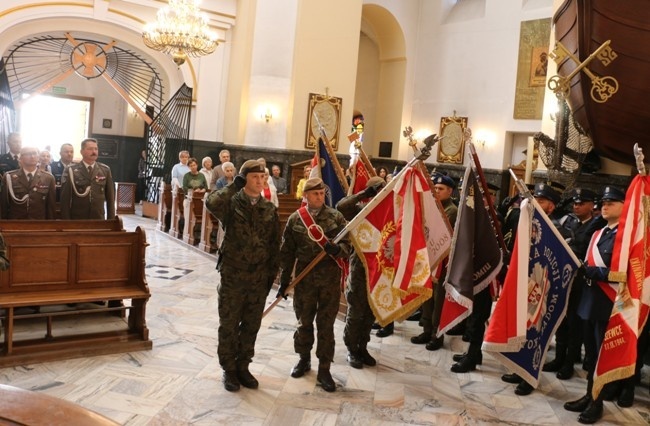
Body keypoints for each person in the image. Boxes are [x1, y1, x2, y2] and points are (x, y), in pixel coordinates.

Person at [205, 159, 281, 392]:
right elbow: (210, 203)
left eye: (263, 178)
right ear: (244, 178)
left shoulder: (269, 208)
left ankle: (243, 366)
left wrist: (273, 277)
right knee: (228, 323)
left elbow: (274, 244)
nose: (260, 181)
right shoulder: (231, 202)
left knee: (251, 325)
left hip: (258, 278)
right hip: (233, 275)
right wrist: (233, 186)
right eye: (255, 177)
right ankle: (229, 369)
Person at [277, 177, 351, 392]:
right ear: (306, 196)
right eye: (315, 193)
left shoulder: (336, 217)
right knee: (304, 321)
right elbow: (287, 252)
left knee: (326, 325)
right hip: (304, 278)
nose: (319, 197)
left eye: (321, 193)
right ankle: (303, 359)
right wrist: (284, 281)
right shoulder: (295, 219)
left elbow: (348, 244)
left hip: (328, 277)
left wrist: (339, 250)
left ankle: (325, 368)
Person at [564, 186, 625, 424]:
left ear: (624, 206)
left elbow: (623, 274)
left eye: (611, 202)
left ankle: (597, 402)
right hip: (589, 300)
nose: (605, 206)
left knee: (601, 355)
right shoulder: (600, 233)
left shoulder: (624, 237)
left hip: (607, 302)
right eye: (603, 202)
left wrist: (590, 270)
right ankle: (589, 395)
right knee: (589, 354)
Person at [543, 188, 605, 380]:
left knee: (574, 325)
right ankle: (559, 358)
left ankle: (569, 363)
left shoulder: (596, 226)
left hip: (580, 282)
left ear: (592, 206)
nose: (576, 206)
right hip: (563, 279)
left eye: (581, 204)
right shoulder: (569, 222)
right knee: (561, 322)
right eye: (575, 203)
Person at [450, 182, 502, 373]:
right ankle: (473, 352)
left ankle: (472, 357)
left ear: (493, 198)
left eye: (487, 195)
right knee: (473, 315)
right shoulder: (473, 216)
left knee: (479, 316)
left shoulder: (496, 219)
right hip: (473, 271)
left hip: (486, 275)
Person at [336, 176, 385, 369]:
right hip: (359, 269)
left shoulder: (388, 214)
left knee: (370, 311)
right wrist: (365, 194)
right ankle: (351, 348)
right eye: (378, 190)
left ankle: (363, 346)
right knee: (355, 311)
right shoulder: (361, 212)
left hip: (379, 270)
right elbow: (341, 206)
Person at [412, 174, 458, 349]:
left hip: (442, 261)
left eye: (440, 189)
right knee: (426, 295)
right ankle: (426, 329)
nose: (436, 191)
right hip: (428, 256)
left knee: (438, 298)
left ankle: (436, 335)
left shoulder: (451, 210)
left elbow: (440, 231)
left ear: (450, 191)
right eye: (435, 188)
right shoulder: (434, 207)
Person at [60, 138, 115, 220]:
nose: (94, 152)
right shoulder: (71, 170)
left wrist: (111, 221)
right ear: (81, 152)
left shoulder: (105, 170)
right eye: (90, 149)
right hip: (78, 218)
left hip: (98, 218)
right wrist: (66, 222)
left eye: (96, 149)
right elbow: (65, 199)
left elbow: (110, 198)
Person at [1, 146, 56, 219]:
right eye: (28, 154)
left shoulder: (48, 178)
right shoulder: (9, 177)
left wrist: (50, 226)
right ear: (20, 158)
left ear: (38, 157)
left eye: (35, 153)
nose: (32, 156)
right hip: (16, 224)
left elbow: (50, 207)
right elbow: (3, 205)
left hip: (39, 223)